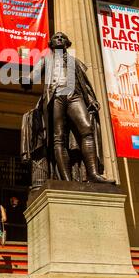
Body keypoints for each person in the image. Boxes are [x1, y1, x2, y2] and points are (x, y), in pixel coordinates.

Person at [20, 32, 115, 185]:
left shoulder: (74, 62)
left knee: (87, 129)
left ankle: (93, 173)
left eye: (62, 37)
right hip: (56, 96)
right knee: (59, 137)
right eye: (56, 37)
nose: (59, 39)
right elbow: (34, 74)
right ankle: (67, 180)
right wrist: (27, 80)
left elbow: (84, 83)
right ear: (51, 43)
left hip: (74, 95)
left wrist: (91, 98)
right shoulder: (47, 60)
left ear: (67, 43)